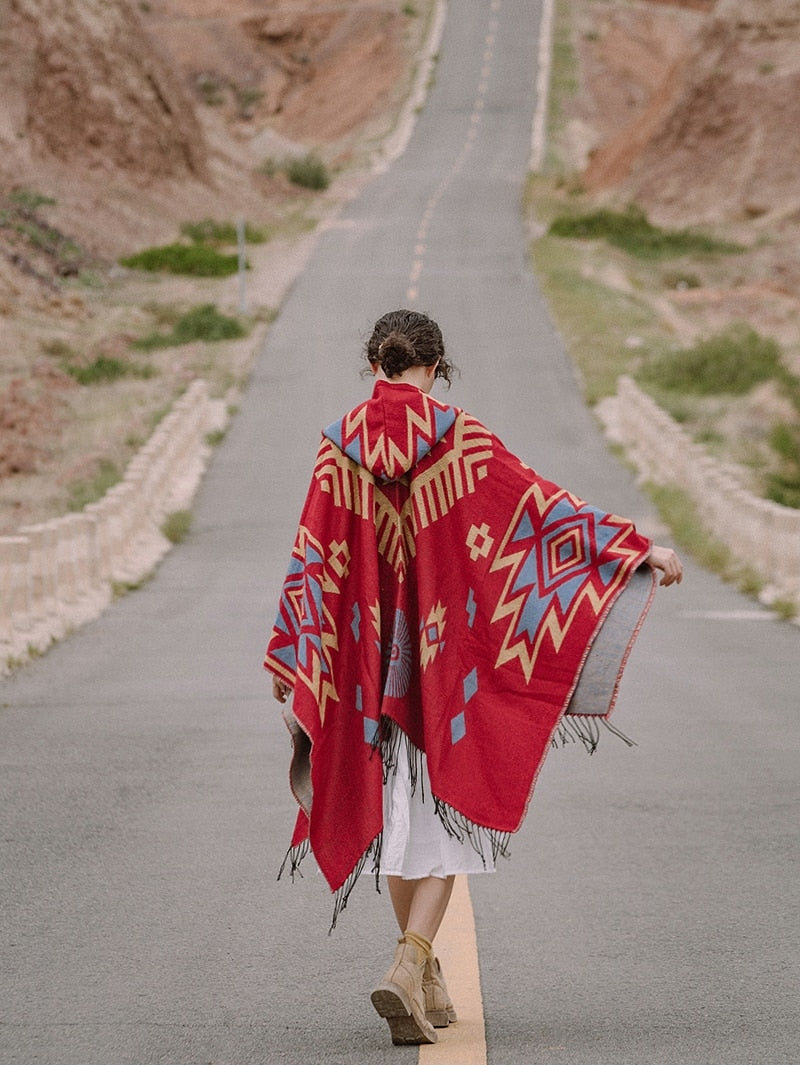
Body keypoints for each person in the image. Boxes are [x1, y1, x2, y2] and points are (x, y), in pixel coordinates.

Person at [265, 309, 682, 1047]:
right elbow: (540, 511)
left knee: (399, 821)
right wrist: (632, 548)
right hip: (444, 663)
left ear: (374, 366)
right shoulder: (461, 439)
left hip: (365, 669)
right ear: (436, 368)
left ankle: (422, 978)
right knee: (449, 816)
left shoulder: (336, 452)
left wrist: (294, 652)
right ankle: (408, 961)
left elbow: (311, 555)